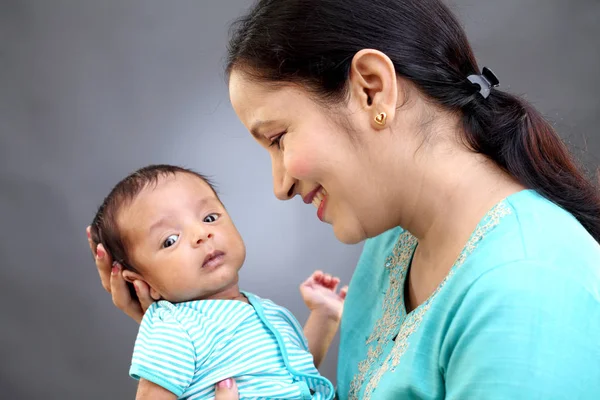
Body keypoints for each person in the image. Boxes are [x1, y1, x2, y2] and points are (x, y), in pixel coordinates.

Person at [89, 0, 600, 398]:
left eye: (279, 137)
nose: (279, 186)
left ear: (372, 89)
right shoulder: (395, 242)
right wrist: (192, 333)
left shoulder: (528, 291)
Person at [89, 164, 344, 399]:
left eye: (209, 217)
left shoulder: (270, 312)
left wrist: (324, 315)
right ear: (143, 283)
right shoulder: (174, 327)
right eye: (170, 240)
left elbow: (295, 374)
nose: (202, 234)